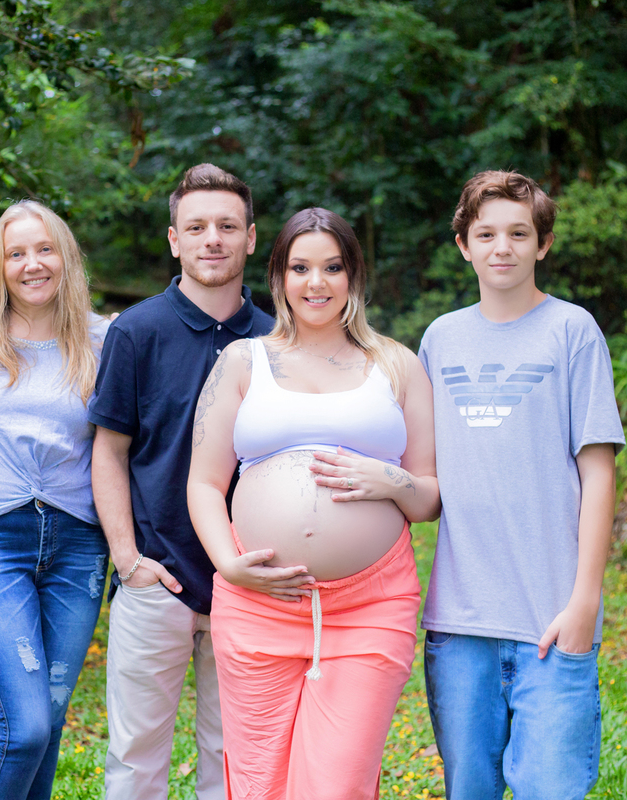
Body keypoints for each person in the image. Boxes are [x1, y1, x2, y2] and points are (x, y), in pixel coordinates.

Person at [187, 207, 440, 800]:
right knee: (257, 784)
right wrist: (227, 561)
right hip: (257, 602)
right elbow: (203, 483)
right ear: (278, 277)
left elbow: (429, 495)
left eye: (332, 267)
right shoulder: (242, 362)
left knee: (338, 785)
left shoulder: (397, 365)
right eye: (300, 267)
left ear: (353, 275)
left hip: (369, 605)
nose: (316, 283)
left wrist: (389, 482)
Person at [417, 170, 624, 799]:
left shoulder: (573, 331)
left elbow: (598, 471)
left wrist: (584, 600)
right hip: (460, 624)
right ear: (463, 245)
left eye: (518, 232)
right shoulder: (439, 339)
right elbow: (423, 478)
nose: (501, 247)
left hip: (552, 619)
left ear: (544, 244)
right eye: (486, 234)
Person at [89, 163, 274, 800]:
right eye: (196, 227)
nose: (212, 239)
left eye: (227, 225)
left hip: (250, 581)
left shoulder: (278, 339)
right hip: (157, 577)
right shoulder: (136, 332)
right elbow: (109, 452)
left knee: (234, 758)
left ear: (251, 238)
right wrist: (127, 559)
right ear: (174, 239)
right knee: (136, 759)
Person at [0, 200, 109, 800]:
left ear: (65, 258)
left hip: (80, 545)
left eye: (44, 250)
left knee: (51, 720)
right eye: (16, 253)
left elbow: (122, 451)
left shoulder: (103, 339)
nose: (32, 264)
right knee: (27, 725)